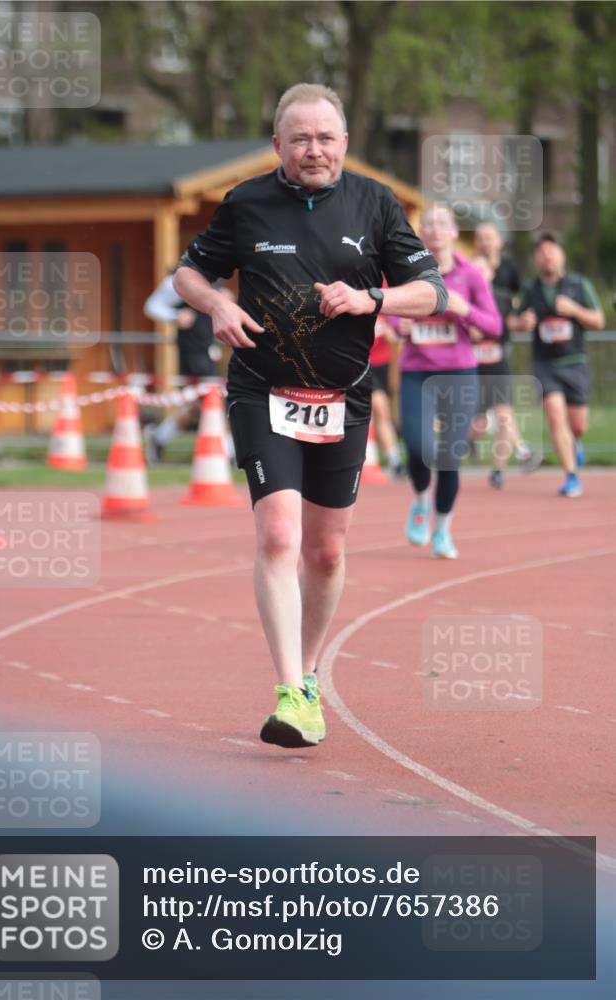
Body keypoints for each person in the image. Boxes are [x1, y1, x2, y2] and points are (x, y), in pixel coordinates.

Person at [173, 83, 447, 749]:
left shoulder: (375, 203)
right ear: (278, 145)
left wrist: (370, 298)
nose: (313, 149)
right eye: (300, 138)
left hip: (344, 398)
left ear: (344, 144)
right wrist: (215, 305)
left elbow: (431, 291)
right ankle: (291, 689)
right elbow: (186, 274)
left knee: (325, 551)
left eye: (325, 137)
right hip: (262, 392)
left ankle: (309, 671)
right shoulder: (245, 203)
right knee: (277, 536)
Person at [394, 204, 502, 558]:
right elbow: (392, 311)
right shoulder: (408, 271)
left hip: (458, 373)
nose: (435, 229)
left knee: (449, 456)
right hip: (416, 371)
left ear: (455, 233)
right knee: (418, 446)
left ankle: (442, 530)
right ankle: (421, 499)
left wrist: (463, 309)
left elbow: (494, 326)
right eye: (429, 224)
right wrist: (400, 325)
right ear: (421, 233)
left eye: (443, 224)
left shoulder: (471, 276)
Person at [510, 233, 605, 497]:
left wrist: (574, 310)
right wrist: (522, 324)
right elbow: (512, 322)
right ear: (536, 259)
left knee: (578, 426)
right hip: (545, 364)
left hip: (575, 362)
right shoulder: (530, 290)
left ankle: (575, 442)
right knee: (554, 414)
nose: (546, 256)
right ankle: (571, 476)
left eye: (551, 251)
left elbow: (599, 320)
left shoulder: (578, 285)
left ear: (561, 256)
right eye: (541, 252)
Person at [470, 224, 541, 488]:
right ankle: (469, 440)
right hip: (469, 366)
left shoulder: (502, 298)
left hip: (497, 362)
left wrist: (523, 322)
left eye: (484, 271)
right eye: (474, 271)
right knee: (475, 424)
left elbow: (511, 321)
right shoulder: (461, 300)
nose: (480, 275)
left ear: (491, 274)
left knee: (503, 414)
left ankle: (504, 465)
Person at [142, 275, 230, 462]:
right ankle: (228, 453)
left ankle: (158, 437)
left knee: (196, 407)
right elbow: (151, 306)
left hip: (207, 350)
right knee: (212, 400)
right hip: (192, 351)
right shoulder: (180, 279)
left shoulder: (215, 278)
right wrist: (175, 316)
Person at [369, 309, 405, 478]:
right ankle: (394, 459)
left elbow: (398, 326)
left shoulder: (386, 287)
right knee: (380, 407)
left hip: (387, 362)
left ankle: (396, 458)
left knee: (388, 413)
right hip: (365, 363)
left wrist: (394, 332)